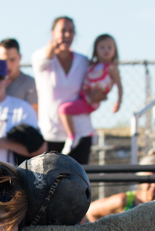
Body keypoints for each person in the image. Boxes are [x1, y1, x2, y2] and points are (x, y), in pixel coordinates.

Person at [31, 17, 107, 165]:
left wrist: (101, 95)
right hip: (51, 134)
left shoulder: (83, 61)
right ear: (53, 33)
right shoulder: (41, 58)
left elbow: (98, 84)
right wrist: (51, 48)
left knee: (78, 183)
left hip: (81, 132)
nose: (67, 35)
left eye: (71, 31)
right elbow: (43, 59)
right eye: (63, 31)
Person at [58, 33, 123, 155]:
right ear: (96, 50)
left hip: (90, 101)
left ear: (115, 50)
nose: (106, 51)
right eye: (102, 47)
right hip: (83, 96)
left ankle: (72, 137)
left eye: (109, 47)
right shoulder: (93, 65)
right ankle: (91, 133)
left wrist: (118, 102)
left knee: (64, 109)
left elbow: (119, 85)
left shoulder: (112, 68)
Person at [86, 150, 155, 222]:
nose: (154, 185)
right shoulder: (124, 201)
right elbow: (91, 211)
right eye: (150, 179)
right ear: (141, 178)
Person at [0, 39, 38, 112]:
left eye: (12, 60)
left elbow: (34, 115)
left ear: (20, 57)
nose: (8, 65)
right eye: (4, 61)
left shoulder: (30, 84)